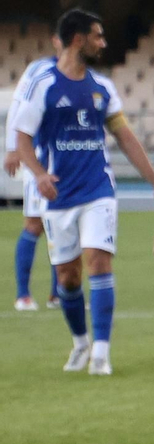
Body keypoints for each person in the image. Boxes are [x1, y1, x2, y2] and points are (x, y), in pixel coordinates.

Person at [12, 9, 154, 374]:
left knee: (99, 261)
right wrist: (38, 174)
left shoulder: (103, 87)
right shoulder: (43, 85)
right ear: (79, 39)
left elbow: (125, 137)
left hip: (99, 189)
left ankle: (101, 351)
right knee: (68, 276)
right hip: (58, 196)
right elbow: (21, 138)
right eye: (98, 36)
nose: (103, 43)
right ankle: (81, 343)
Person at [7, 44, 61, 311]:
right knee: (35, 224)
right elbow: (19, 106)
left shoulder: (82, 73)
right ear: (57, 40)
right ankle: (23, 295)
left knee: (60, 226)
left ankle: (58, 294)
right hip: (38, 157)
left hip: (66, 160)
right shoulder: (39, 70)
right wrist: (12, 148)